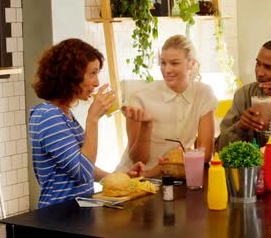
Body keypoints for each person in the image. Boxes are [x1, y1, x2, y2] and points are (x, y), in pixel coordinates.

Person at [29, 38, 144, 208]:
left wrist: (118, 178)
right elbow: (82, 173)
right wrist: (93, 119)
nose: (97, 82)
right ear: (72, 74)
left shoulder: (63, 114)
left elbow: (82, 165)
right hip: (57, 216)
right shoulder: (48, 117)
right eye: (92, 73)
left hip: (76, 210)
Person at [115, 34, 218, 173]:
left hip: (174, 177)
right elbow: (137, 160)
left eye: (174, 63)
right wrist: (147, 125)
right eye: (163, 63)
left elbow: (205, 154)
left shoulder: (203, 93)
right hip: (136, 179)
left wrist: (178, 158)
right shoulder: (140, 98)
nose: (167, 70)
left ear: (192, 64)